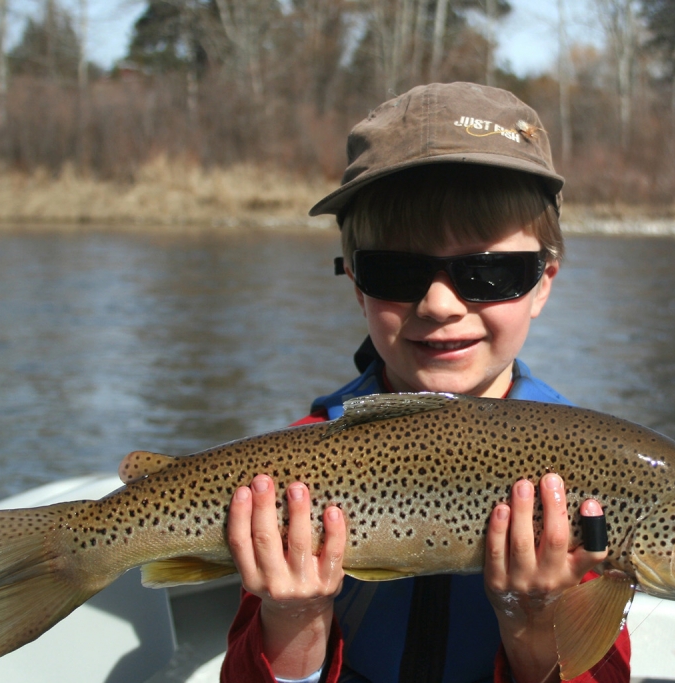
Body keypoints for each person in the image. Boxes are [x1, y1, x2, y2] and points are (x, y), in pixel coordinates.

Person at [219, 82, 631, 683]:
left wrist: (534, 625)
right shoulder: (290, 471)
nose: (440, 303)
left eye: (489, 273)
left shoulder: (588, 483)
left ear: (543, 283)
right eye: (396, 270)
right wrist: (296, 617)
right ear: (357, 284)